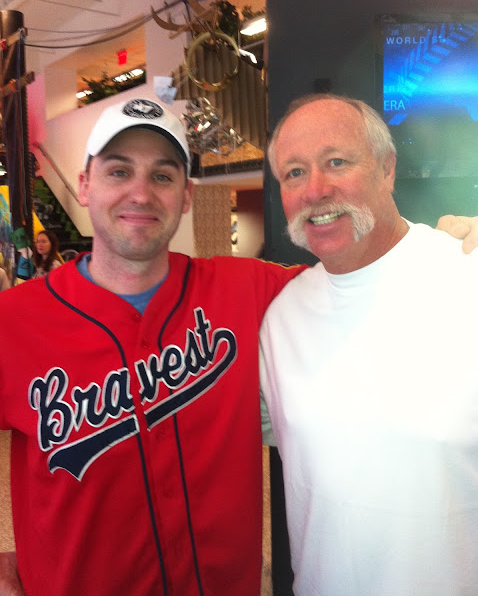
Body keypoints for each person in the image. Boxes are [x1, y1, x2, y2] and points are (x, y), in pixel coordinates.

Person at [0, 97, 476, 596]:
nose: (140, 193)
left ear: (186, 195)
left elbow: (358, 272)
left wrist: (449, 248)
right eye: (119, 172)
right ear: (84, 185)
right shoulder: (14, 320)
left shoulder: (251, 291)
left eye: (163, 176)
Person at [259, 93, 478, 596]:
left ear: (387, 169)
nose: (315, 190)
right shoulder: (280, 317)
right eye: (294, 173)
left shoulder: (466, 276)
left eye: (337, 162)